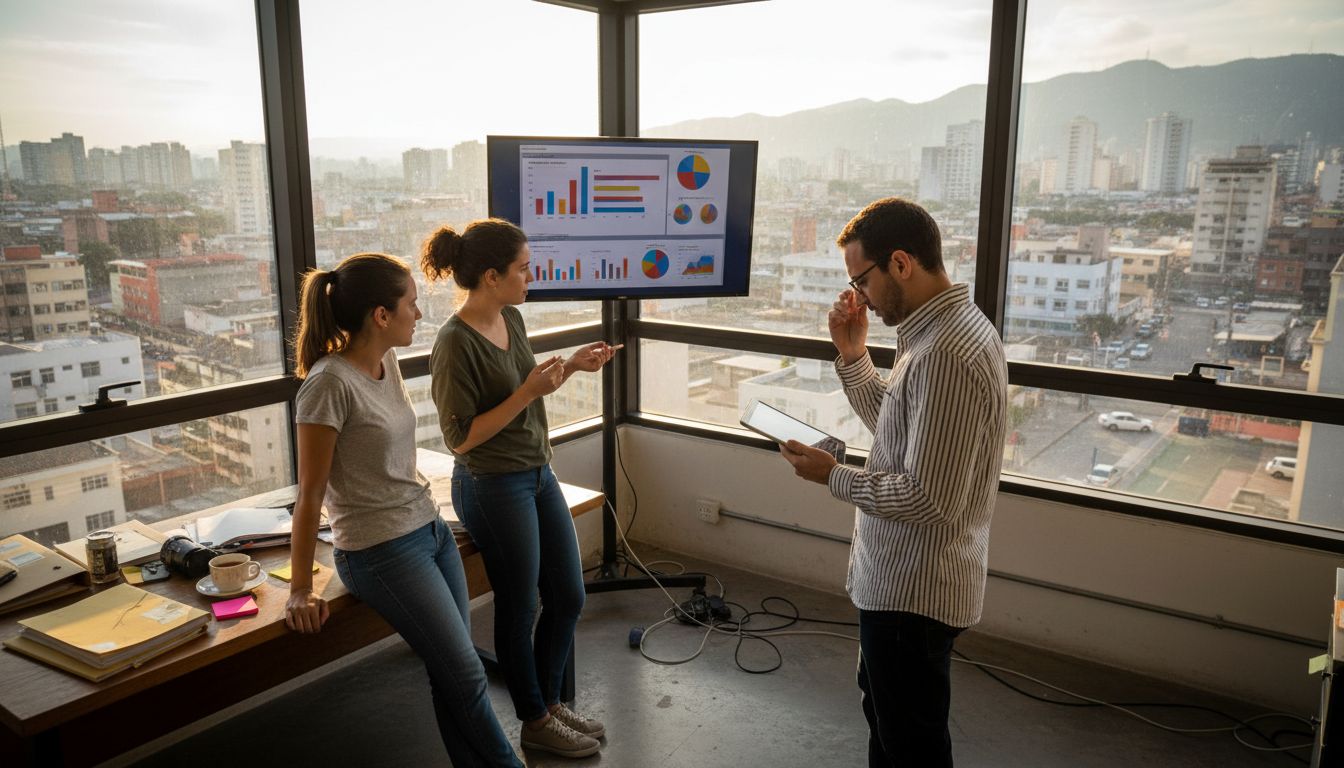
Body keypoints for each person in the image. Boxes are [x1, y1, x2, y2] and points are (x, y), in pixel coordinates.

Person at [778, 198, 1008, 767]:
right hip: (898, 584)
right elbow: (899, 429)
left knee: (911, 745)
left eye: (862, 279)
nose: (858, 297)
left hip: (914, 593)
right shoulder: (935, 334)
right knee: (889, 721)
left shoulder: (946, 352)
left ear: (900, 263)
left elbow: (929, 500)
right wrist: (854, 356)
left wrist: (832, 477)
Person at [285, 252, 523, 768]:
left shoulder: (383, 361)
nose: (420, 314)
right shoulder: (327, 385)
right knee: (466, 674)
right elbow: (309, 495)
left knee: (451, 674)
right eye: (411, 305)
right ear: (381, 315)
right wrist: (300, 588)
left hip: (429, 530)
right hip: (380, 551)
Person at [422, 219, 617, 759]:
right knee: (519, 603)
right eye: (523, 269)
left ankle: (549, 706)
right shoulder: (453, 343)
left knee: (568, 595)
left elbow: (525, 386)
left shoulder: (510, 317)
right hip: (491, 484)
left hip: (536, 472)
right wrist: (530, 390)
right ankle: (534, 717)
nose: (533, 276)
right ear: (490, 276)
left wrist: (572, 366)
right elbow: (460, 438)